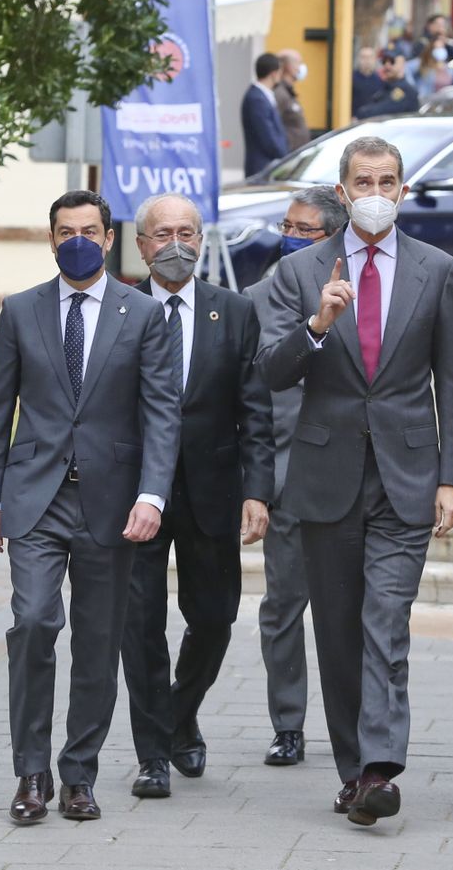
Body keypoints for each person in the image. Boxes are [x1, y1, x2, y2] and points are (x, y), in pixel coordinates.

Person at [258, 137, 453, 827]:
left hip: (407, 475)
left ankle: (380, 767)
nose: (375, 192)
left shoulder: (438, 270)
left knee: (385, 621)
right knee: (338, 633)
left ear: (402, 190)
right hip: (325, 476)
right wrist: (318, 325)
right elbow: (270, 370)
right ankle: (353, 771)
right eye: (363, 181)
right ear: (342, 192)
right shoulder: (300, 271)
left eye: (387, 181)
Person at [0, 190, 182, 825]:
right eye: (66, 232)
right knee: (34, 622)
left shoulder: (142, 313)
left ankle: (78, 775)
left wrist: (152, 495)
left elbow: (162, 413)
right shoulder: (20, 310)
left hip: (111, 503)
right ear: (51, 239)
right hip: (34, 499)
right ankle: (30, 773)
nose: (78, 241)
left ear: (109, 239)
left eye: (89, 231)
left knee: (97, 642)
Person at [120, 193, 275, 799]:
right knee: (140, 625)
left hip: (213, 489)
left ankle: (179, 714)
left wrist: (258, 490)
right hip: (137, 495)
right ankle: (153, 755)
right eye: (163, 234)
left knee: (214, 618)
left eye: (186, 232)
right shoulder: (121, 311)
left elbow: (254, 410)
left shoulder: (233, 311)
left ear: (202, 240)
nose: (176, 244)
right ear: (142, 246)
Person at [246, 184, 346, 766]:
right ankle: (287, 725)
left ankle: (357, 724)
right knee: (283, 605)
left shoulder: (364, 290)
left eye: (304, 230)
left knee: (353, 609)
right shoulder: (256, 298)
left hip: (352, 474)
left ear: (332, 237)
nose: (291, 237)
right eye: (286, 226)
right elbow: (251, 393)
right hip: (286, 475)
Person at [243, 52, 289, 177]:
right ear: (273, 74)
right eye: (280, 72)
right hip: (262, 168)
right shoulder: (257, 98)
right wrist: (285, 157)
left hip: (268, 166)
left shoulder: (263, 95)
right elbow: (267, 136)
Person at [354, 52, 420, 119]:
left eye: (392, 62)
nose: (387, 66)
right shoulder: (386, 86)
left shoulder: (405, 91)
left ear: (402, 65)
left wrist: (361, 112)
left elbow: (383, 110)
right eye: (384, 62)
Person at [274, 49, 312, 150]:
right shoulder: (279, 93)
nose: (300, 68)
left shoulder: (288, 92)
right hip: (288, 153)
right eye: (298, 63)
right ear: (288, 66)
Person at [352, 46, 385, 113]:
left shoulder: (379, 80)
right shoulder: (351, 79)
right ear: (358, 59)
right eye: (363, 57)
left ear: (375, 59)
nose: (367, 60)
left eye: (370, 57)